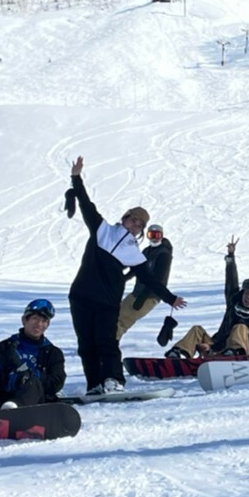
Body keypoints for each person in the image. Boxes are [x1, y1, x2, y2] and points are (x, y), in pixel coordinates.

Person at [66, 156, 185, 395]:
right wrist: (76, 178)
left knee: (107, 341)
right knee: (86, 345)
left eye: (140, 225)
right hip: (80, 296)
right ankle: (94, 384)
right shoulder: (102, 229)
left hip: (107, 302)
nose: (135, 225)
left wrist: (170, 298)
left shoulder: (133, 253)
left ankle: (113, 380)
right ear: (125, 218)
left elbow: (151, 280)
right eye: (133, 220)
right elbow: (86, 204)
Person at [167, 237, 249, 358]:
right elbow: (231, 282)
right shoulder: (233, 304)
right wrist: (231, 258)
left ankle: (233, 353)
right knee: (197, 330)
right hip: (217, 348)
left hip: (243, 352)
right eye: (246, 293)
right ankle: (178, 353)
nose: (248, 298)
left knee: (240, 327)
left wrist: (216, 348)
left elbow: (247, 340)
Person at [116, 223, 173, 340]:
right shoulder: (147, 251)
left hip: (150, 296)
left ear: (161, 236)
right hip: (137, 292)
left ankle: (108, 346)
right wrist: (122, 278)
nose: (154, 237)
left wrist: (144, 296)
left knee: (123, 321)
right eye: (151, 234)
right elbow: (136, 268)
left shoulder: (164, 254)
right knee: (115, 315)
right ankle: (103, 343)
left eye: (157, 235)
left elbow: (159, 279)